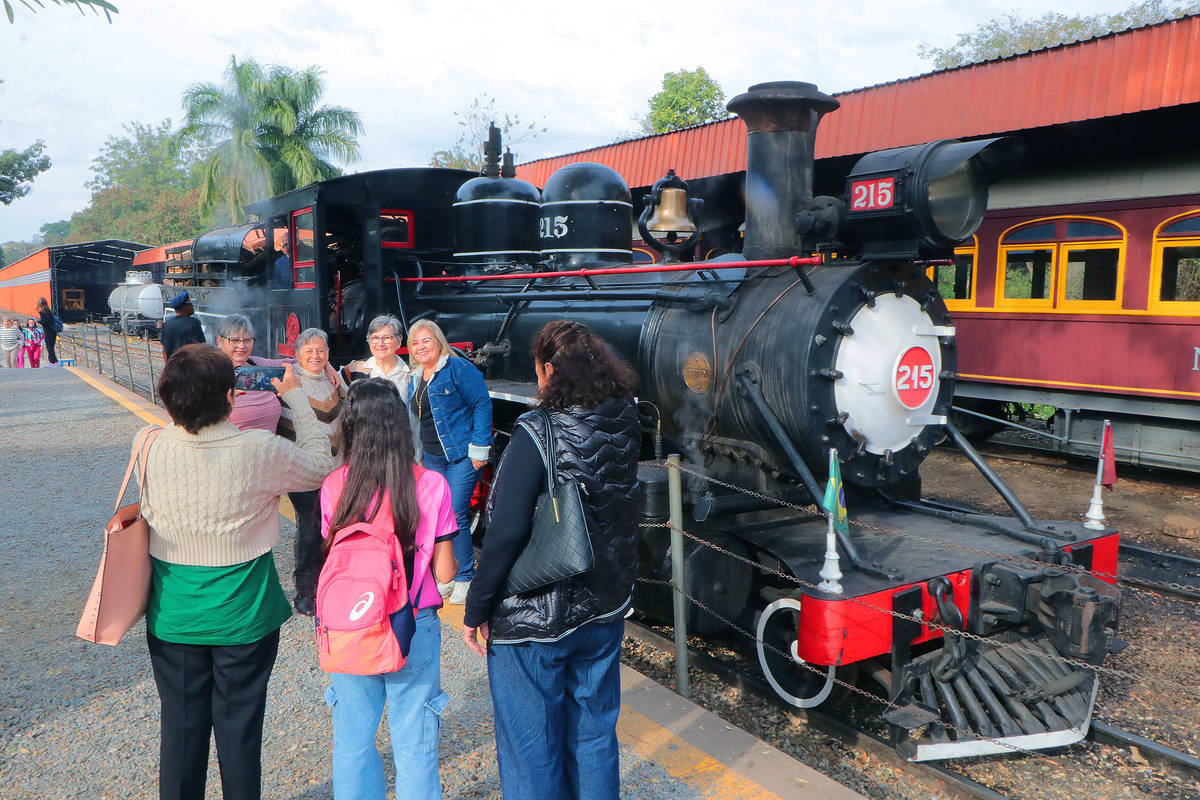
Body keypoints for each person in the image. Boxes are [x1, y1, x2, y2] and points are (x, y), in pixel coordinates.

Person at [134, 344, 335, 800]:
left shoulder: (148, 442)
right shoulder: (259, 450)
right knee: (239, 730)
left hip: (174, 612)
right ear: (231, 396)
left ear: (168, 397)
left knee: (180, 729)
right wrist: (297, 399)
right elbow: (322, 466)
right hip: (245, 613)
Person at [462, 320, 640, 800]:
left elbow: (505, 530)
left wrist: (477, 607)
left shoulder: (537, 429)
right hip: (604, 603)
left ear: (547, 371)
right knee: (595, 732)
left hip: (536, 615)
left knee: (532, 747)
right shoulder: (626, 414)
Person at [319, 378, 459, 800]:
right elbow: (447, 574)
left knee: (353, 743)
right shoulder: (431, 484)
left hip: (351, 624)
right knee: (414, 744)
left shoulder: (335, 486)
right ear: (401, 426)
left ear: (351, 427)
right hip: (412, 625)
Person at [406, 319, 492, 604]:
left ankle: (466, 576)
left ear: (439, 341)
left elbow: (482, 403)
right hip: (430, 456)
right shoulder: (417, 376)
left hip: (460, 456)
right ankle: (446, 574)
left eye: (426, 340)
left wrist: (480, 448)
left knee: (456, 512)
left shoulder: (458, 369)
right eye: (415, 342)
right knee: (436, 516)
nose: (420, 346)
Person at [278, 327, 347, 615]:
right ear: (297, 356)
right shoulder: (290, 383)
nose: (316, 356)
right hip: (304, 473)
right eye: (309, 351)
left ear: (328, 354)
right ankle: (305, 592)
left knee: (334, 531)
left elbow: (350, 401)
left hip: (336, 472)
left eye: (321, 350)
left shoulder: (336, 382)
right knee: (309, 531)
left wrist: (333, 370)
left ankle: (332, 586)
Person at [343, 315, 421, 460]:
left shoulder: (412, 374)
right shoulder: (354, 370)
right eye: (375, 338)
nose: (380, 343)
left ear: (398, 342)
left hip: (402, 451)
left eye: (386, 338)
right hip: (366, 452)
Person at [218, 314, 286, 433]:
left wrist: (326, 364)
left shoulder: (257, 364)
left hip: (271, 448)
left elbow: (298, 362)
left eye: (247, 340)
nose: (242, 346)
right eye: (234, 340)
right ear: (220, 341)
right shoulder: (208, 373)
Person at [161, 291, 207, 360]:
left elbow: (164, 350)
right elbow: (201, 348)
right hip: (189, 366)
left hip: (173, 366)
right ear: (185, 307)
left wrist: (167, 367)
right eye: (190, 304)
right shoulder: (194, 323)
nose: (192, 306)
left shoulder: (166, 325)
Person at [36, 297, 58, 365]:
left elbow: (45, 322)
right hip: (53, 331)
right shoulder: (49, 311)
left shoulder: (43, 312)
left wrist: (38, 321)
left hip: (48, 332)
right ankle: (53, 361)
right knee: (51, 347)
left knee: (49, 347)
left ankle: (53, 362)